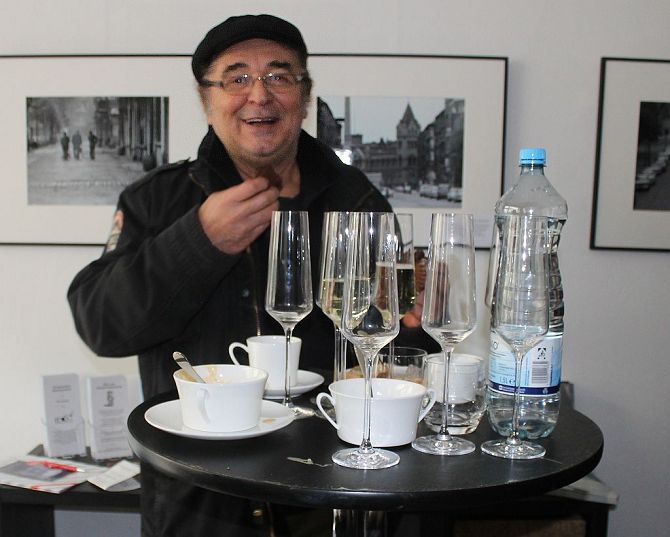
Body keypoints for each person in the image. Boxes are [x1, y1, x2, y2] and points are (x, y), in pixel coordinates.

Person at [68, 14, 437, 537]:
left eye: (278, 76)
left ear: (303, 97)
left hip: (335, 498)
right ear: (207, 100)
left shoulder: (358, 202)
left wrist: (421, 319)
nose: (259, 95)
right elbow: (100, 324)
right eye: (237, 77)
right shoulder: (158, 199)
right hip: (198, 507)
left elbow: (397, 350)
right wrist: (199, 241)